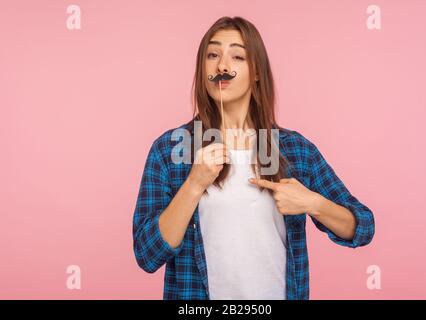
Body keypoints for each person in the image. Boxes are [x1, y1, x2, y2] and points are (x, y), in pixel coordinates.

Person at [132, 16, 375, 300]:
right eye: (212, 55)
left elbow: (363, 227)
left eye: (237, 56)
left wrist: (312, 202)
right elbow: (147, 254)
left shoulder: (293, 149)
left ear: (257, 72)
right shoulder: (172, 149)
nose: (222, 66)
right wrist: (194, 185)